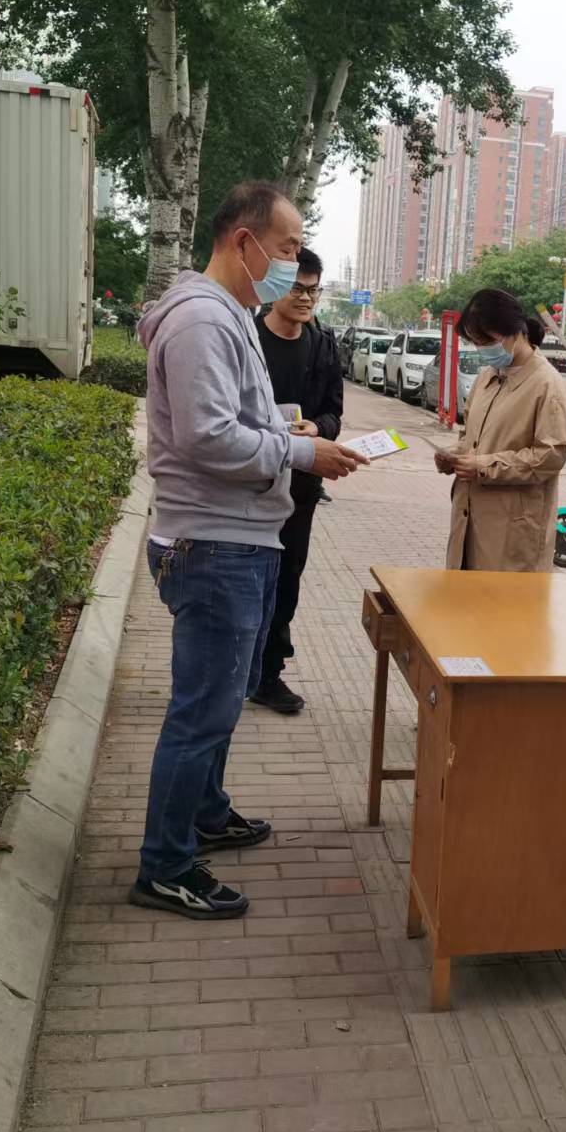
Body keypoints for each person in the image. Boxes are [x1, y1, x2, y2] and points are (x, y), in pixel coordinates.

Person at [132, 181, 367, 920]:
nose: (293, 265)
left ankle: (205, 813)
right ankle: (165, 865)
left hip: (240, 539)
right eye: (288, 249)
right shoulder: (203, 319)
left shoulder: (226, 315)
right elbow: (206, 436)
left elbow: (236, 419)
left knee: (222, 701)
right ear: (245, 243)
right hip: (215, 545)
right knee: (202, 710)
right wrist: (298, 454)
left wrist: (294, 437)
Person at [249, 246, 345, 716]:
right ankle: (236, 669)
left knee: (287, 580)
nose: (306, 299)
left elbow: (334, 414)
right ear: (274, 289)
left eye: (314, 291)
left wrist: (317, 430)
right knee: (245, 579)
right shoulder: (247, 340)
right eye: (297, 289)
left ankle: (269, 675)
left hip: (300, 488)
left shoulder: (324, 345)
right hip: (248, 483)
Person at [435, 289, 566, 571]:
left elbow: (550, 456)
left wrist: (484, 467)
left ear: (515, 331)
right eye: (476, 342)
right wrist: (454, 456)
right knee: (463, 595)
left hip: (513, 532)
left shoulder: (546, 384)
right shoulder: (487, 378)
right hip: (469, 520)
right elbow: (471, 438)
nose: (482, 349)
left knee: (502, 598)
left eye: (487, 341)